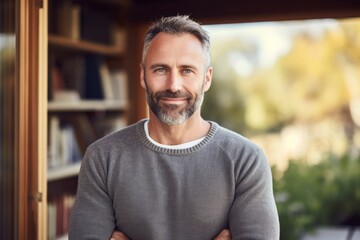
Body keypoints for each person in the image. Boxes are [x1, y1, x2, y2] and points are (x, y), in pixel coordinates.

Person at [69, 15, 280, 240]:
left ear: (206, 79)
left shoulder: (245, 160)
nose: (173, 85)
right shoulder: (102, 158)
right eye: (160, 69)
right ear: (143, 76)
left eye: (187, 70)